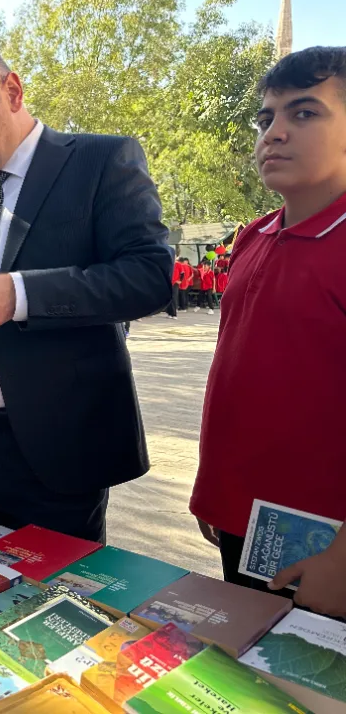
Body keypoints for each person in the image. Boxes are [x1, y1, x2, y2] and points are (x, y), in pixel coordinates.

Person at [0, 44, 172, 542]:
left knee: (51, 611)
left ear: (12, 92)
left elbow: (150, 276)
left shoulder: (100, 161)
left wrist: (20, 294)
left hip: (52, 454)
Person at [191, 47, 346, 617]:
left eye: (304, 113)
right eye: (266, 118)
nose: (274, 134)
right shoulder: (253, 236)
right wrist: (216, 494)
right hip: (246, 524)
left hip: (327, 550)